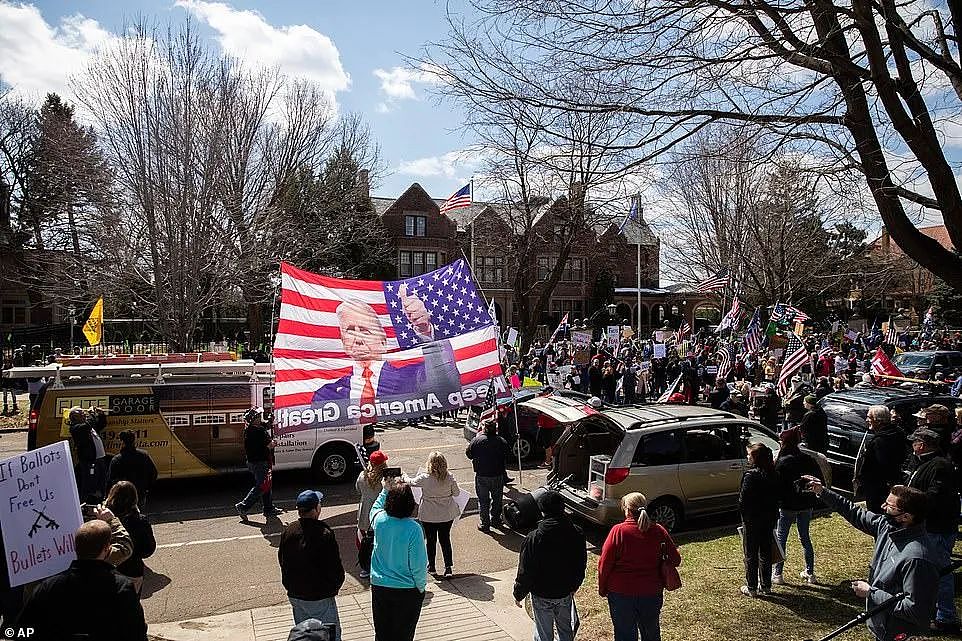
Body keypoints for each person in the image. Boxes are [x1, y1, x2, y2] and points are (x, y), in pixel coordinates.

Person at [806, 478, 940, 641]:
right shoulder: (887, 526)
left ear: (906, 517)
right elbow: (854, 512)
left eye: (889, 507)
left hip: (899, 634)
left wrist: (871, 592)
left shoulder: (917, 558)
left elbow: (914, 610)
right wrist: (822, 492)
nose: (883, 508)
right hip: (881, 628)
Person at [310, 298, 458, 407]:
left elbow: (445, 386)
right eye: (350, 331)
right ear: (343, 342)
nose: (358, 339)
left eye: (364, 331)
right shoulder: (326, 395)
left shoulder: (413, 377)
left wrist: (425, 332)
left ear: (383, 342)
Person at [17, 520, 148, 641]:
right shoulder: (121, 588)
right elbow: (136, 634)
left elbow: (17, 631)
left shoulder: (48, 587)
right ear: (107, 549)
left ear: (75, 548)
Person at [598, 492, 680, 641]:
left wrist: (602, 588)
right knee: (651, 632)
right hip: (651, 592)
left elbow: (604, 564)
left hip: (621, 593)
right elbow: (675, 559)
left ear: (627, 510)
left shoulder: (618, 531)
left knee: (624, 634)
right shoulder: (659, 530)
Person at [904, 427, 960, 633]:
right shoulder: (925, 463)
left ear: (922, 445)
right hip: (929, 525)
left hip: (937, 527)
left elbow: (936, 497)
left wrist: (910, 505)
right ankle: (935, 611)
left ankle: (946, 617)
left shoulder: (940, 466)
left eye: (914, 442)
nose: (911, 446)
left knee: (940, 572)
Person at [513, 490, 587, 641]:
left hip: (541, 593)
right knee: (566, 630)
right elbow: (581, 563)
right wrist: (575, 585)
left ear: (541, 511)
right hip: (565, 591)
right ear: (562, 508)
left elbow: (526, 570)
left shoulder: (534, 537)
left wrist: (519, 593)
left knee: (543, 633)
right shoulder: (576, 532)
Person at [278, 490, 345, 640]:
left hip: (296, 595)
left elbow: (282, 561)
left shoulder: (289, 530)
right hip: (319, 597)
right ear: (316, 509)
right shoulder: (324, 533)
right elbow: (335, 567)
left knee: (304, 635)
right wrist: (333, 588)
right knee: (328, 635)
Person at [368, 479, 428, 641]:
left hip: (380, 587)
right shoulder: (414, 528)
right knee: (404, 635)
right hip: (407, 590)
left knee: (382, 634)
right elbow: (419, 565)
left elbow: (374, 508)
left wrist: (385, 490)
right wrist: (421, 587)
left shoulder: (379, 521)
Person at [772, 427, 822, 586]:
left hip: (787, 506)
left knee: (782, 538)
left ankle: (778, 573)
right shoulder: (808, 459)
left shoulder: (782, 462)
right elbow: (819, 479)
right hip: (806, 504)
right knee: (805, 538)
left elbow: (776, 484)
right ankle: (810, 572)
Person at [405, 452, 460, 577]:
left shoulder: (424, 478)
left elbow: (411, 482)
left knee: (431, 541)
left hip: (429, 514)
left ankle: (432, 566)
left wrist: (404, 476)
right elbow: (456, 493)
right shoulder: (449, 477)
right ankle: (448, 567)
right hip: (446, 514)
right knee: (445, 539)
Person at [739, 443, 779, 597]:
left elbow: (743, 501)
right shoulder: (773, 473)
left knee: (751, 553)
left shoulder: (751, 476)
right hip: (768, 518)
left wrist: (745, 517)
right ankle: (766, 585)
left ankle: (752, 587)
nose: (747, 457)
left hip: (752, 520)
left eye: (749, 455)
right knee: (766, 551)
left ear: (755, 458)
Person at [104, 481, 156, 594]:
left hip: (106, 570)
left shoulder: (102, 518)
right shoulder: (139, 520)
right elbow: (148, 549)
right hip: (132, 571)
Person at [853, 405, 907, 512]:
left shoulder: (881, 440)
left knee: (877, 514)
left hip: (878, 487)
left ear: (878, 421)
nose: (867, 420)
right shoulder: (898, 433)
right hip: (890, 483)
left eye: (869, 417)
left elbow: (883, 465)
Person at [235, 407, 282, 521]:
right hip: (261, 462)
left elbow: (264, 426)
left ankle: (268, 508)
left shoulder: (249, 429)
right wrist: (274, 442)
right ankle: (243, 506)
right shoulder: (259, 432)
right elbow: (269, 444)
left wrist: (270, 420)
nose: (261, 417)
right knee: (262, 486)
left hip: (253, 462)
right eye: (259, 416)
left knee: (267, 484)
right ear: (255, 419)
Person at [465, 419, 509, 533]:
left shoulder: (477, 441)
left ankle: (485, 523)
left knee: (483, 501)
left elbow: (469, 454)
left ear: (484, 429)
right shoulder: (501, 441)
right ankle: (495, 520)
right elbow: (507, 454)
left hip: (482, 476)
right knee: (497, 499)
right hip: (497, 475)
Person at [356, 449, 388, 579]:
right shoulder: (385, 480)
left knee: (364, 542)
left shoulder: (362, 476)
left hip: (365, 513)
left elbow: (358, 489)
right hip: (381, 513)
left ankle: (366, 568)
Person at [107, 431, 159, 511]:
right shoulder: (144, 455)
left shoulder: (117, 459)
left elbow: (111, 480)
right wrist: (146, 487)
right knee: (139, 516)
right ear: (134, 440)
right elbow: (154, 473)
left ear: (122, 442)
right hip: (140, 493)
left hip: (122, 498)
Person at [68, 405, 108, 503]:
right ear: (74, 416)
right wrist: (92, 414)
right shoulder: (76, 428)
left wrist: (101, 415)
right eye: (81, 413)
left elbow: (101, 424)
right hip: (89, 461)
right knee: (90, 482)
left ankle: (100, 499)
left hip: (99, 458)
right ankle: (86, 502)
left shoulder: (87, 425)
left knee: (101, 481)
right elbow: (88, 425)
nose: (84, 414)